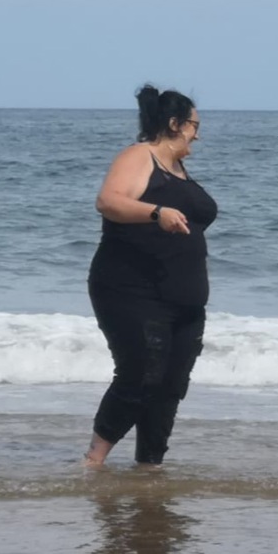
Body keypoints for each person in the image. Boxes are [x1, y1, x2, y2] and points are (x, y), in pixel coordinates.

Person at [84, 85, 218, 468]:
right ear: (175, 123)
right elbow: (108, 201)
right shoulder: (139, 156)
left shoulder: (180, 171)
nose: (197, 135)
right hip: (131, 290)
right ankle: (93, 461)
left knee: (170, 386)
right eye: (194, 126)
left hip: (184, 302)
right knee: (141, 374)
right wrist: (156, 213)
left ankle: (149, 469)